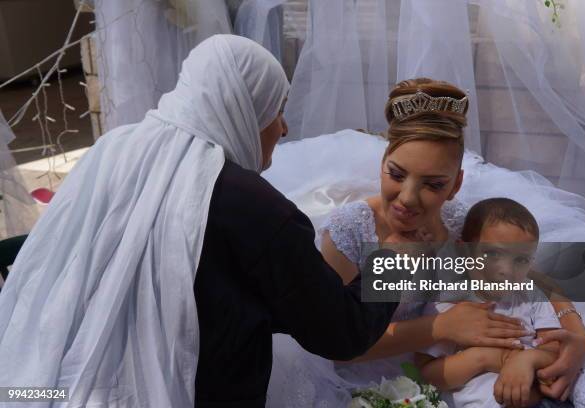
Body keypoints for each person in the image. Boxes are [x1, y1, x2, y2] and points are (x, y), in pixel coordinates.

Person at [0, 35, 398, 408]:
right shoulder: (257, 208)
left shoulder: (114, 149)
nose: (284, 127)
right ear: (243, 107)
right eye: (277, 108)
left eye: (436, 183)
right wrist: (403, 263)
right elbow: (341, 332)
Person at [264, 78, 585, 407]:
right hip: (366, 375)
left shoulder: (456, 223)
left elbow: (523, 272)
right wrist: (441, 326)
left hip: (446, 369)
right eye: (396, 174)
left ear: (455, 185)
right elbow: (333, 342)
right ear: (383, 163)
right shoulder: (350, 231)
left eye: (433, 185)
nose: (407, 200)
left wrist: (575, 332)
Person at [416, 197, 570, 408]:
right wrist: (486, 358)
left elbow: (555, 354)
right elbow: (429, 374)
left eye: (521, 260)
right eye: (493, 253)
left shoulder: (530, 295)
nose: (506, 270)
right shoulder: (447, 302)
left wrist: (528, 360)